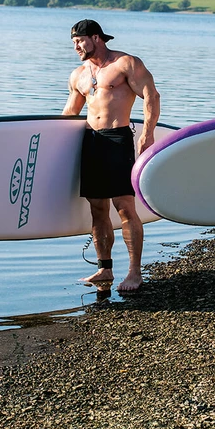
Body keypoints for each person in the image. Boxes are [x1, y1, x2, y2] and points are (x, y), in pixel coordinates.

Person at [62, 19, 160, 291]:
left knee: (125, 207)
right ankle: (104, 268)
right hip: (91, 141)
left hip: (117, 140)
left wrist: (147, 133)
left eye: (80, 41)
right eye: (73, 43)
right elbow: (69, 114)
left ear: (96, 38)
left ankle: (134, 272)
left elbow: (151, 95)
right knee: (97, 209)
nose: (76, 47)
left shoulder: (125, 64)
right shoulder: (78, 75)